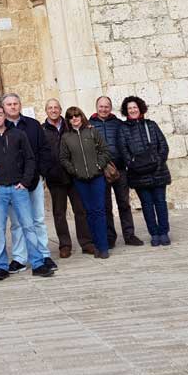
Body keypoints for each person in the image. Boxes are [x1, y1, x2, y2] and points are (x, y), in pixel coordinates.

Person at [0, 104, 51, 280]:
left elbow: (29, 158)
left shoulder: (18, 135)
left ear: (4, 116)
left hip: (19, 189)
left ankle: (38, 263)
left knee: (28, 225)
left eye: (0, 114)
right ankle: (1, 266)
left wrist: (25, 182)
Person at [1, 93, 57, 274]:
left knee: (38, 219)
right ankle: (19, 258)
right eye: (9, 104)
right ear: (3, 107)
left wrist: (41, 173)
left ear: (20, 105)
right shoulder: (0, 128)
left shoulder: (32, 125)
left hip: (33, 180)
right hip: (12, 184)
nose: (12, 107)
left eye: (15, 103)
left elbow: (44, 150)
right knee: (17, 222)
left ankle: (43, 254)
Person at [41, 98, 94, 257]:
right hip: (55, 177)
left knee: (81, 210)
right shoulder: (42, 130)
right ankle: (65, 245)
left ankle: (86, 242)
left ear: (60, 109)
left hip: (74, 175)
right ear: (46, 111)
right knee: (59, 213)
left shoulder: (69, 125)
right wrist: (46, 171)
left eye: (56, 107)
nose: (53, 110)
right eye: (50, 108)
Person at [117, 96, 173, 246]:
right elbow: (124, 151)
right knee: (147, 205)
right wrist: (134, 164)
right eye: (129, 108)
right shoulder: (123, 129)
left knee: (160, 202)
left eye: (135, 107)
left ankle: (163, 232)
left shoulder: (152, 125)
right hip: (139, 174)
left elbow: (163, 146)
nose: (133, 110)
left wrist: (158, 162)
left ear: (140, 108)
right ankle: (154, 234)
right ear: (126, 111)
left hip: (157, 171)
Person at [90, 96, 144, 247]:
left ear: (110, 107)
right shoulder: (89, 125)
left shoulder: (119, 124)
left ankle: (129, 235)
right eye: (101, 106)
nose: (103, 109)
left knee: (124, 203)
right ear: (96, 107)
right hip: (101, 171)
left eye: (106, 106)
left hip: (120, 169)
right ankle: (109, 237)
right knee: (105, 205)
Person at [59, 106, 112, 259]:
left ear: (81, 117)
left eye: (77, 116)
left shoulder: (92, 131)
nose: (74, 119)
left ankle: (103, 247)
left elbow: (105, 151)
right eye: (71, 117)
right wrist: (74, 170)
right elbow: (63, 158)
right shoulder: (66, 137)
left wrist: (98, 166)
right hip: (80, 180)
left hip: (97, 178)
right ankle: (94, 244)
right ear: (68, 120)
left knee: (99, 211)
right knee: (88, 213)